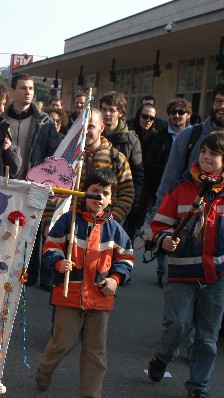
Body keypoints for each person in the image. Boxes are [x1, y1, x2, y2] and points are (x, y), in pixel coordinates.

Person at [35, 167, 134, 397]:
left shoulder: (115, 230)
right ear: (83, 193)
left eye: (105, 193)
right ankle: (45, 369)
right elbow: (50, 245)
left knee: (95, 353)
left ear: (111, 198)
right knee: (63, 342)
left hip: (100, 298)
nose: (99, 198)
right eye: (94, 191)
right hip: (69, 293)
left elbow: (127, 258)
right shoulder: (67, 221)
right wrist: (58, 262)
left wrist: (115, 279)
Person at [147, 132, 224, 398]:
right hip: (181, 272)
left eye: (214, 153)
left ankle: (198, 387)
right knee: (178, 324)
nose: (207, 157)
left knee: (207, 338)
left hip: (216, 277)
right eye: (204, 151)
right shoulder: (181, 188)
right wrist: (164, 239)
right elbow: (158, 225)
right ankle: (161, 356)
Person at [2, 73, 61, 292]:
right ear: (13, 91)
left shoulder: (44, 122)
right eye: (24, 88)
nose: (28, 92)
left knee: (34, 231)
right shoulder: (1, 118)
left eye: (31, 88)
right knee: (7, 227)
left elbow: (52, 153)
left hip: (34, 184)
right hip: (7, 183)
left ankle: (32, 274)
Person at [143, 98, 192, 286]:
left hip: (190, 195)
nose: (176, 116)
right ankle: (161, 270)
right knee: (165, 230)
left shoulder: (197, 136)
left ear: (188, 114)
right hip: (165, 192)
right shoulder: (159, 137)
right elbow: (150, 166)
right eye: (173, 112)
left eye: (181, 112)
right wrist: (170, 171)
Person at [99, 91, 143, 239]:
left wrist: (131, 204)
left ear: (120, 113)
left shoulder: (131, 141)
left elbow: (137, 175)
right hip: (96, 200)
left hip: (120, 205)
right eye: (104, 109)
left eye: (111, 110)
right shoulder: (94, 135)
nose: (107, 113)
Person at [82, 109, 134, 224]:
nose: (85, 131)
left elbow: (126, 194)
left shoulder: (116, 158)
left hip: (103, 227)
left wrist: (111, 220)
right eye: (83, 126)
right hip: (71, 225)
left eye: (90, 127)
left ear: (101, 128)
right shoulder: (69, 158)